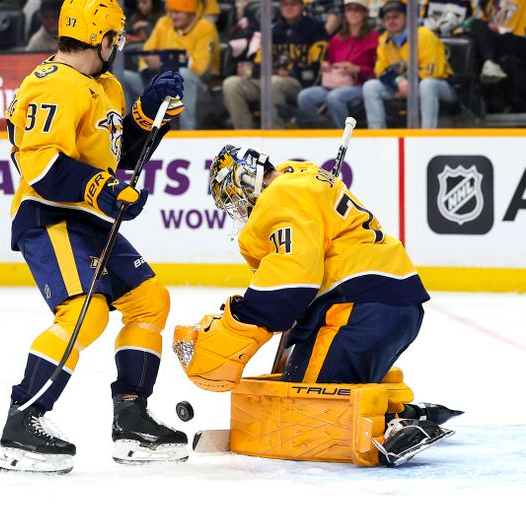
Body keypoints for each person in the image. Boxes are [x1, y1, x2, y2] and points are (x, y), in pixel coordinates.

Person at [173, 145, 462, 466]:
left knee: (304, 409)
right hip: (399, 304)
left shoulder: (278, 197)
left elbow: (290, 282)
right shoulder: (304, 178)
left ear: (246, 179)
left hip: (357, 310)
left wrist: (236, 325)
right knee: (316, 384)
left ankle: (390, 428)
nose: (239, 209)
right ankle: (400, 410)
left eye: (234, 197)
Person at [0, 0, 187, 475]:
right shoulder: (53, 83)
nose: (119, 46)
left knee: (150, 301)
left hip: (88, 218)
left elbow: (120, 152)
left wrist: (149, 115)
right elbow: (39, 164)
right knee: (85, 312)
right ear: (102, 38)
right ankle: (24, 419)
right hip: (50, 215)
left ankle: (132, 418)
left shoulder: (104, 85)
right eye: (116, 38)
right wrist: (102, 188)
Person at [222, 0, 329, 129]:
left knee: (273, 82)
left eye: (293, 4)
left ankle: (275, 134)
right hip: (269, 79)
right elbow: (259, 62)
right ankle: (245, 135)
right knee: (232, 84)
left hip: (299, 83)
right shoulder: (273, 30)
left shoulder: (315, 28)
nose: (289, 8)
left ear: (302, 6)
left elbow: (316, 64)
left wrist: (290, 73)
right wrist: (251, 70)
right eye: (285, 4)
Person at [121, 0, 220, 130]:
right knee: (125, 77)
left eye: (177, 12)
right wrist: (148, 64)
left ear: (190, 13)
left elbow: (200, 69)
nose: (172, 16)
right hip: (163, 84)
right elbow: (146, 52)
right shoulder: (164, 23)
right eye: (171, 12)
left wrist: (163, 62)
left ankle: (188, 134)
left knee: (184, 75)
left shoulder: (205, 28)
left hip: (200, 89)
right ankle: (127, 131)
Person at [361, 0, 456, 129]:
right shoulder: (384, 40)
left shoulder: (424, 35)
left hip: (441, 85)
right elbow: (380, 70)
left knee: (427, 85)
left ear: (406, 17)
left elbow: (432, 71)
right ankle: (378, 135)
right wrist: (399, 83)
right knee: (370, 87)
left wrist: (409, 86)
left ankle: (427, 135)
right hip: (402, 86)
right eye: (387, 18)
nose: (391, 21)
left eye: (396, 16)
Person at [297, 0, 379, 128]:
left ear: (364, 13)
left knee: (335, 97)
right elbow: (330, 60)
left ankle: (342, 135)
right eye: (349, 9)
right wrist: (326, 66)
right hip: (334, 83)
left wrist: (357, 69)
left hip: (360, 85)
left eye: (357, 9)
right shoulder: (337, 39)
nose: (353, 13)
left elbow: (377, 70)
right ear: (345, 13)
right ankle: (323, 128)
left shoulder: (374, 38)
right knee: (305, 97)